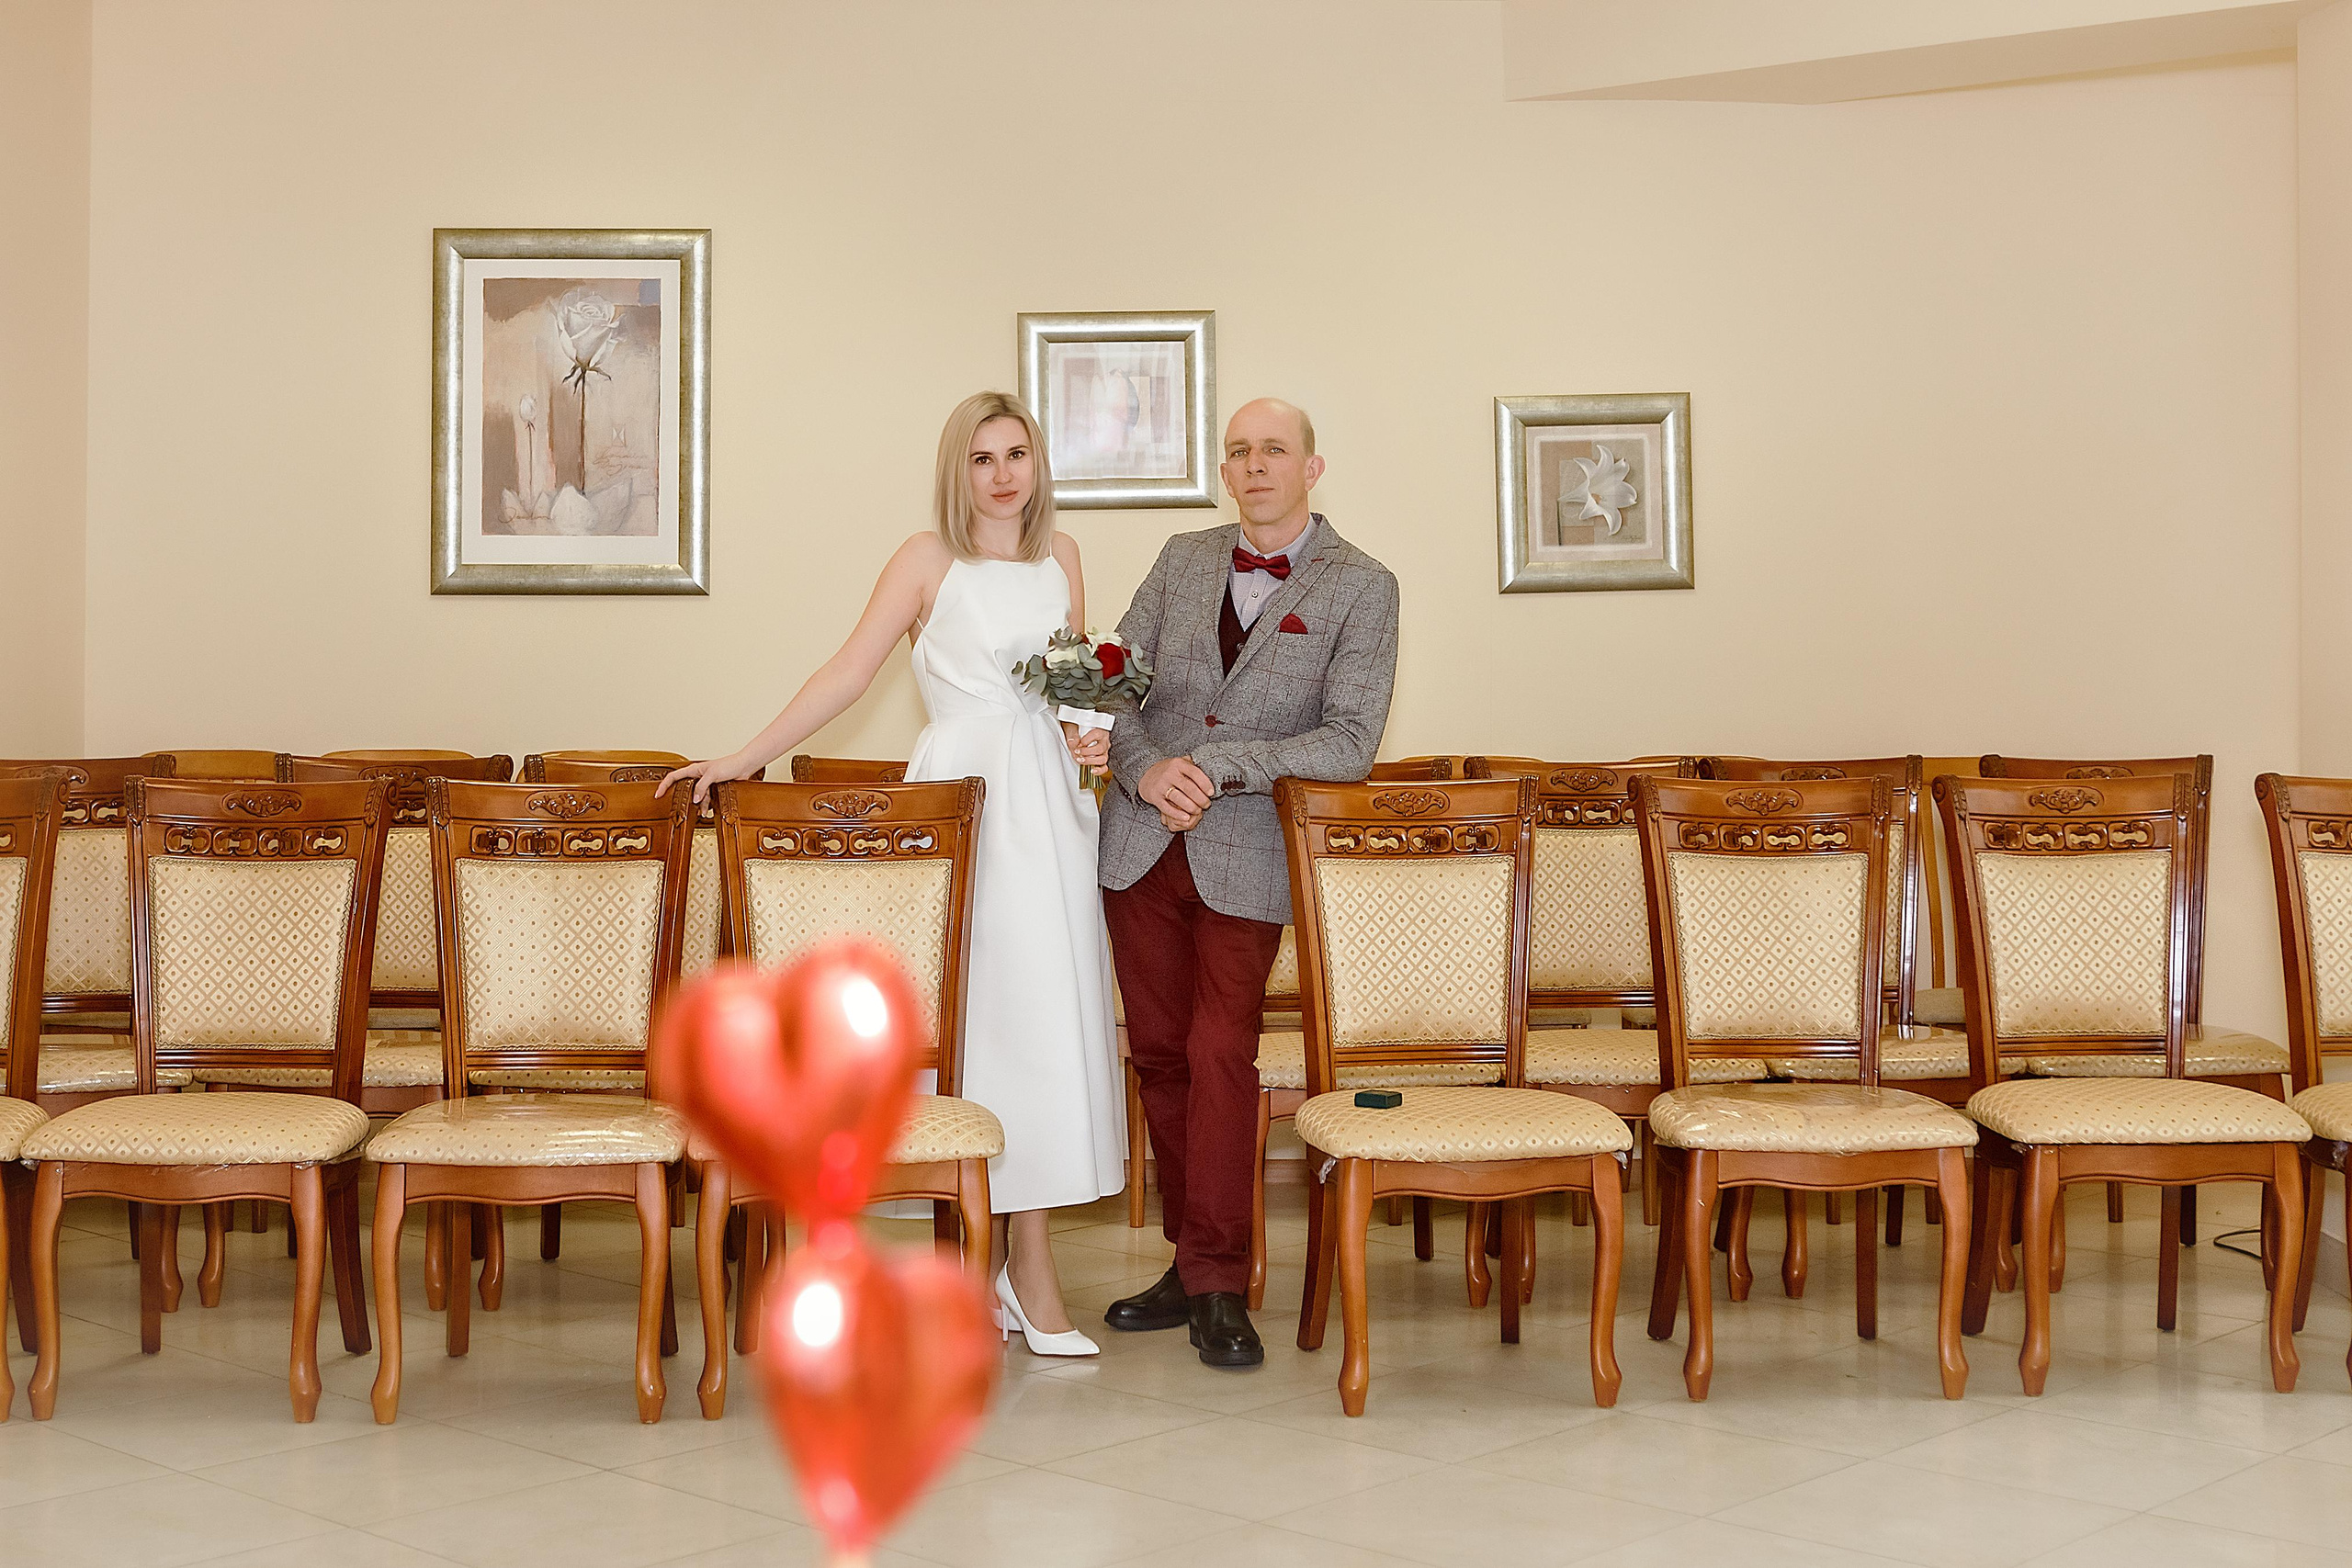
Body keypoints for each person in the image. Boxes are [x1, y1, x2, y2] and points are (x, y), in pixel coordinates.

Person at [660, 390, 1123, 1358]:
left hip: (1052, 808)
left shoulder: (1063, 557)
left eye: (1017, 455)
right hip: (961, 804)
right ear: (957, 472)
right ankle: (985, 1267)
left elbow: (1074, 682)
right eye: (981, 459)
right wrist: (743, 757)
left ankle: (1025, 1266)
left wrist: (1091, 739)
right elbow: (848, 672)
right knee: (976, 1022)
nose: (1002, 475)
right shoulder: (926, 559)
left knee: (1046, 1020)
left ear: (1039, 465)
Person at [1094, 398, 1400, 1367]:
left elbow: (1350, 743)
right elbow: (1110, 682)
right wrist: (1142, 768)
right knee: (1157, 1054)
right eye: (1239, 452)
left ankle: (1223, 1281)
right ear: (1224, 472)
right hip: (1139, 843)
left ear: (1312, 467)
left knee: (1220, 1051)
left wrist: (1219, 768)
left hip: (1249, 853)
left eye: (1274, 450)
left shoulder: (1363, 585)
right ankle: (1191, 1266)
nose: (1255, 465)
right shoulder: (1182, 559)